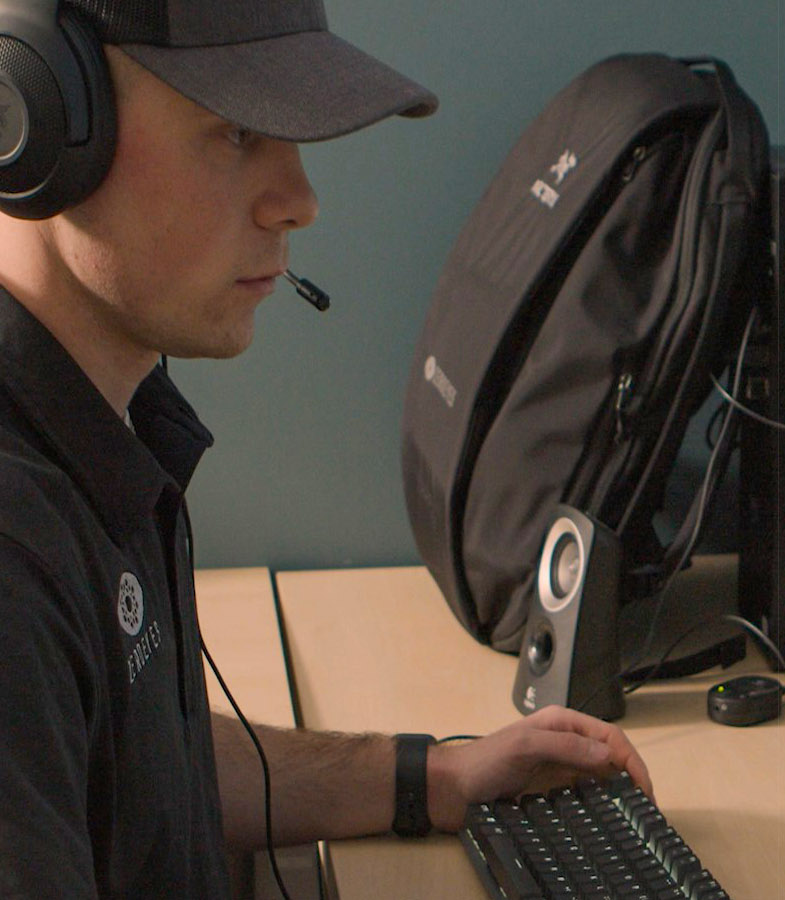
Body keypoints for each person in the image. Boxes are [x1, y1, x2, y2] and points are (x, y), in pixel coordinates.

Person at [0, 2, 650, 896]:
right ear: (30, 117)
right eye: (233, 132)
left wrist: (430, 778)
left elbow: (131, 761)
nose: (299, 201)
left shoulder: (99, 422)